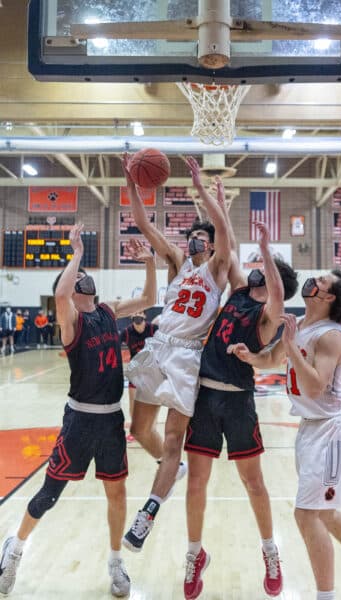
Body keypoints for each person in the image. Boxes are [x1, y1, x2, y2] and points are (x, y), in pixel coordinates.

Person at [0, 223, 157, 597]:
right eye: (78, 276)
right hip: (80, 420)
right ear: (72, 289)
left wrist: (150, 262)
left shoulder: (108, 310)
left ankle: (115, 562)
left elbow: (150, 297)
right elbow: (59, 293)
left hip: (111, 419)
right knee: (49, 494)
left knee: (117, 494)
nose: (84, 276)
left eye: (84, 273)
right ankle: (14, 549)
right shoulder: (71, 322)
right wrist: (78, 253)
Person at [231, 271, 341, 600]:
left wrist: (291, 346)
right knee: (324, 513)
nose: (314, 280)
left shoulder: (332, 335)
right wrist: (250, 357)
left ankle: (326, 595)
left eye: (322, 280)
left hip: (331, 430)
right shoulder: (301, 324)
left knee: (306, 514)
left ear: (329, 297)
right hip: (310, 428)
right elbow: (272, 358)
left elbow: (315, 386)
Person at [183, 220, 298, 599]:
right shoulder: (238, 292)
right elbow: (227, 247)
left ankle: (270, 551)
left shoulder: (269, 316)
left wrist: (266, 250)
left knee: (254, 483)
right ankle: (194, 554)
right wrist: (214, 198)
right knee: (196, 482)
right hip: (204, 397)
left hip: (237, 401)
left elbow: (277, 296)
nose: (255, 269)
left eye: (263, 268)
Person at [121, 155, 231, 554]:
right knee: (139, 430)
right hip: (158, 345)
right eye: (193, 236)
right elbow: (143, 223)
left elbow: (224, 230)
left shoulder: (218, 270)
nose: (195, 239)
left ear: (212, 244)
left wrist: (202, 188)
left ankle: (147, 513)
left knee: (172, 440)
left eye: (202, 236)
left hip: (187, 356)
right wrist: (131, 181)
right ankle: (174, 471)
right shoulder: (178, 263)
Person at [120, 311, 158, 442]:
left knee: (151, 402)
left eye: (140, 312)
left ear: (145, 316)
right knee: (133, 401)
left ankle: (151, 429)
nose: (137, 315)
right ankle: (135, 431)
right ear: (131, 316)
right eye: (135, 313)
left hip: (151, 371)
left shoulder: (153, 329)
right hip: (135, 370)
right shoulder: (126, 332)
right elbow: (114, 345)